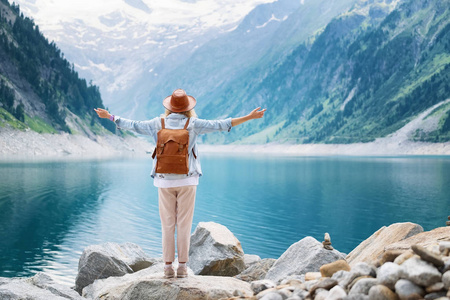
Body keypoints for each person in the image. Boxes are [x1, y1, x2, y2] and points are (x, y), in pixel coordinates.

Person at [94, 88, 266, 278]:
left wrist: (109, 116)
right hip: (188, 180)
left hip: (164, 181)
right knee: (184, 224)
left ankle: (168, 268)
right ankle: (182, 267)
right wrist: (249, 117)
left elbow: (133, 125)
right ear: (188, 108)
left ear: (169, 107)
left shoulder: (157, 123)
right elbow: (221, 124)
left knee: (167, 225)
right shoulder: (193, 124)